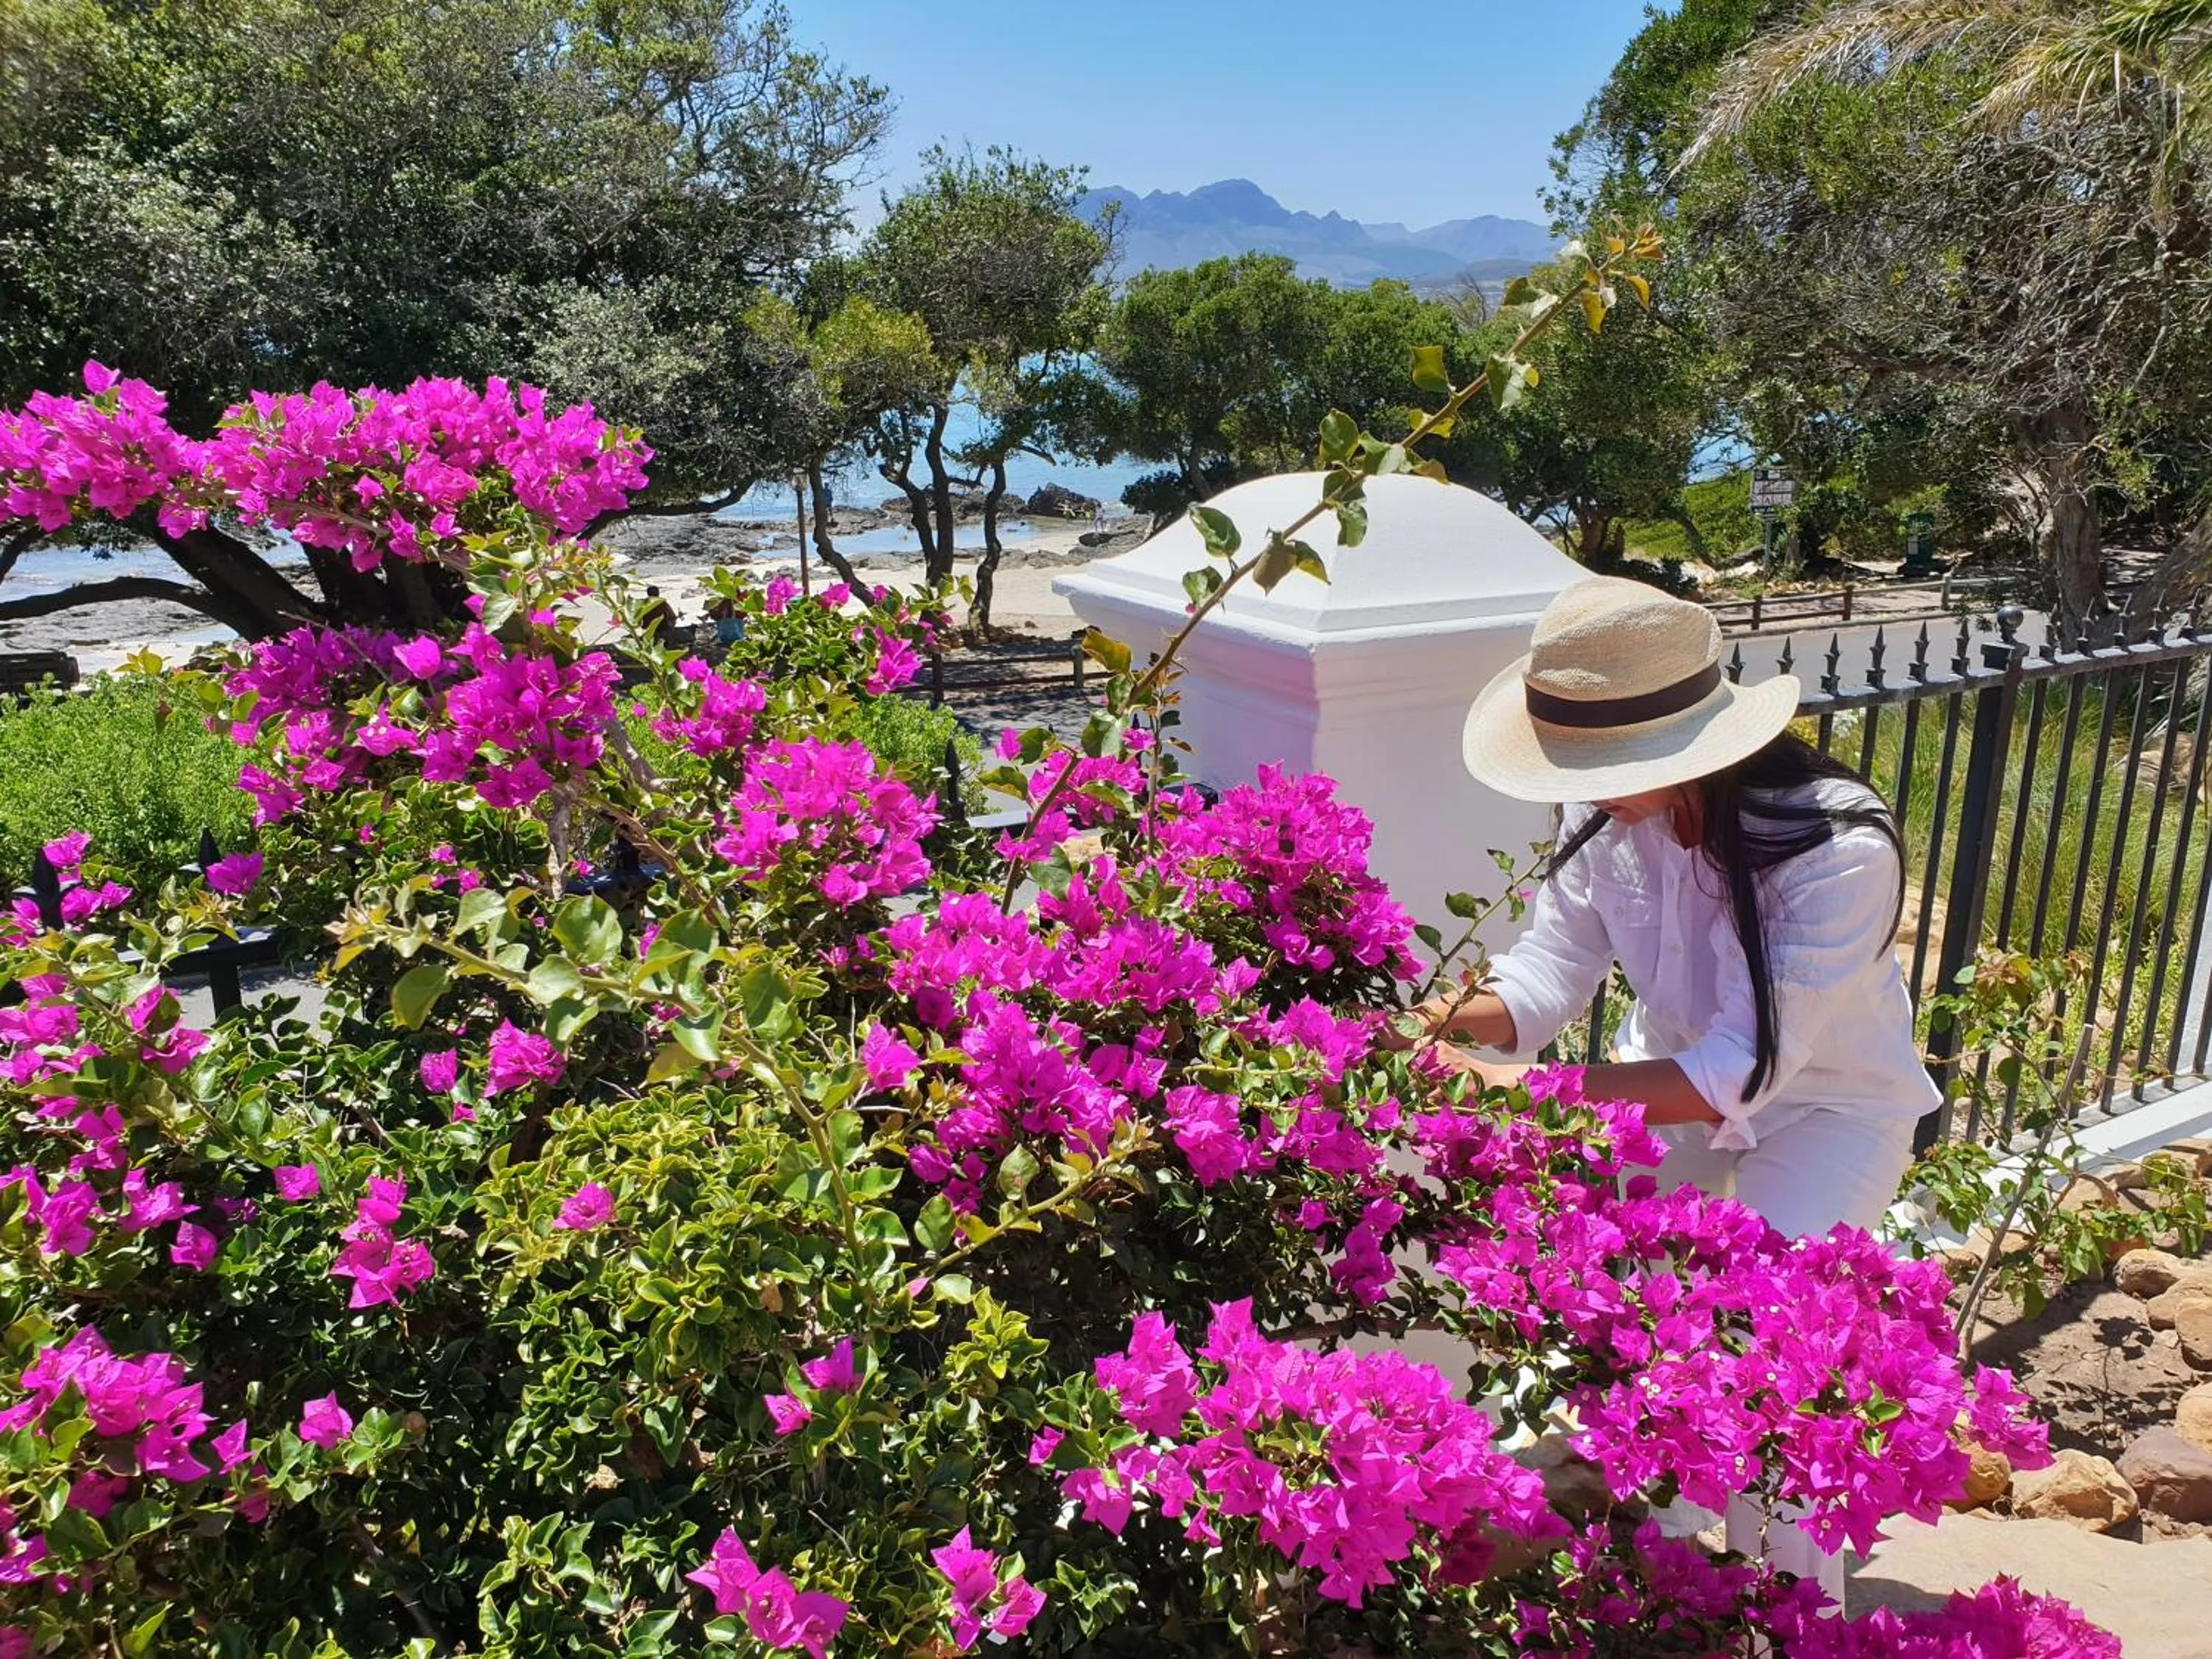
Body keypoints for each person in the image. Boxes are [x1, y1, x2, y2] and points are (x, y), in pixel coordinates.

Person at [1401, 575, 1938, 1606]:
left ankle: (1796, 1614)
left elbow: (1739, 1069)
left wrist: (1516, 1093)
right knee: (1651, 1338)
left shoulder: (1836, 848)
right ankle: (1678, 1583)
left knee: (1774, 1364)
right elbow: (1547, 975)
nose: (1580, 781)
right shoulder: (1606, 812)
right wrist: (1433, 1024)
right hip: (1668, 1082)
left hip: (1829, 1109)